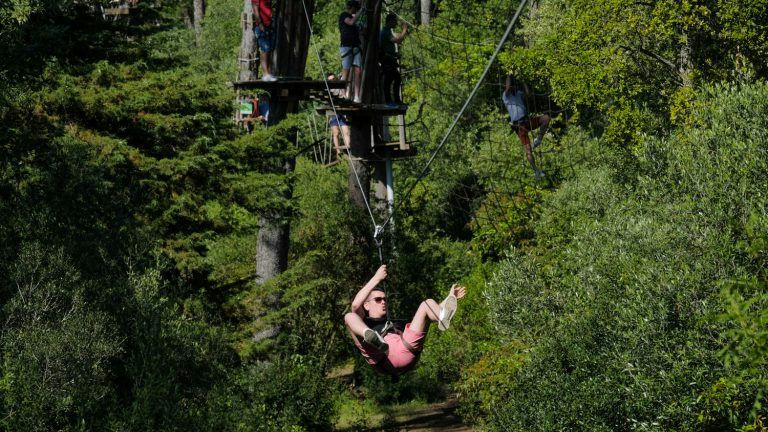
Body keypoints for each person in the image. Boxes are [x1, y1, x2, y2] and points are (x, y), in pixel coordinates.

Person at [344, 265, 467, 376]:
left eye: (385, 300)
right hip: (380, 356)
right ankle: (372, 337)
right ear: (366, 305)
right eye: (378, 299)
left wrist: (451, 298)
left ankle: (443, 316)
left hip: (406, 348)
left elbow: (429, 312)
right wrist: (377, 278)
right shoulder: (364, 320)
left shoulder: (396, 323)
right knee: (349, 316)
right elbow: (355, 305)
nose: (383, 302)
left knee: (427, 304)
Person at [503, 74, 550, 179]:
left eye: (514, 85)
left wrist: (523, 81)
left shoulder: (518, 93)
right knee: (528, 150)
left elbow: (528, 94)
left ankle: (538, 140)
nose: (512, 87)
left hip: (527, 121)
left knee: (546, 118)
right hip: (519, 126)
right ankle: (536, 171)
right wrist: (510, 75)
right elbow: (508, 86)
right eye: (511, 86)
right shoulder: (506, 96)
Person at [379, 12, 408, 106]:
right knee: (391, 79)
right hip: (387, 60)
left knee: (394, 79)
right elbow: (397, 40)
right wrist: (404, 30)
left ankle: (395, 100)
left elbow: (388, 45)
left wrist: (395, 54)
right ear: (390, 21)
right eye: (395, 21)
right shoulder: (385, 32)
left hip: (390, 58)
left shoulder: (387, 31)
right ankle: (390, 101)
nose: (396, 24)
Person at [339, 0, 364, 103]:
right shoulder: (343, 15)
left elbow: (360, 29)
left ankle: (357, 97)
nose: (356, 11)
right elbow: (351, 22)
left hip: (356, 46)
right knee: (346, 72)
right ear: (351, 8)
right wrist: (361, 11)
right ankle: (343, 94)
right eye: (355, 9)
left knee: (358, 72)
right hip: (346, 46)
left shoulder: (354, 18)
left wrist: (361, 26)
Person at [326, 74, 351, 157]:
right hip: (333, 113)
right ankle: (338, 151)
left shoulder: (340, 86)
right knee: (336, 133)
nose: (332, 80)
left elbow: (345, 94)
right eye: (330, 80)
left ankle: (348, 148)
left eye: (333, 78)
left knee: (346, 132)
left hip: (342, 111)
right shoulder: (328, 88)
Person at [252, 0, 277, 82]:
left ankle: (268, 73)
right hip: (262, 26)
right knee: (265, 49)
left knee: (269, 50)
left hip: (270, 24)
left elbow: (269, 7)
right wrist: (260, 24)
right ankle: (265, 74)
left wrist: (273, 18)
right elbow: (255, 9)